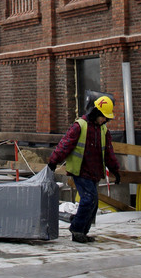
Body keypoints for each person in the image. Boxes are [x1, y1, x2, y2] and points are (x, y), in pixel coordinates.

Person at [48, 94, 121, 244]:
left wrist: (115, 170)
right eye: (104, 117)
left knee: (93, 202)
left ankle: (82, 231)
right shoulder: (80, 126)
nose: (105, 120)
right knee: (88, 199)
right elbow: (65, 144)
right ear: (96, 113)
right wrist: (53, 161)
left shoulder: (103, 130)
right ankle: (77, 229)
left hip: (94, 172)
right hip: (80, 171)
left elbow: (108, 152)